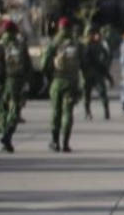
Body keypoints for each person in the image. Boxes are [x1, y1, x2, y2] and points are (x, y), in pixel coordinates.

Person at [41, 17, 84, 152]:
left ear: (59, 28)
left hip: (57, 81)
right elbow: (83, 63)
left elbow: (44, 64)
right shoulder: (77, 44)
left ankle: (55, 141)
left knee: (56, 112)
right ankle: (65, 143)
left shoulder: (54, 43)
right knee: (68, 113)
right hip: (71, 83)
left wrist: (50, 77)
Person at [0, 20, 31, 152]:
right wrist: (27, 81)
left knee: (3, 110)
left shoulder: (1, 45)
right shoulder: (21, 45)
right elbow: (28, 66)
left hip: (3, 82)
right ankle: (7, 135)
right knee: (15, 110)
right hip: (18, 81)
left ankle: (5, 136)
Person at [81, 25, 113, 121]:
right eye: (90, 33)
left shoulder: (98, 45)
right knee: (86, 95)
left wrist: (107, 75)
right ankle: (87, 112)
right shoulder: (83, 46)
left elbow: (106, 57)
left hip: (97, 73)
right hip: (87, 74)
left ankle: (106, 111)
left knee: (103, 93)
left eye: (93, 33)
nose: (93, 35)